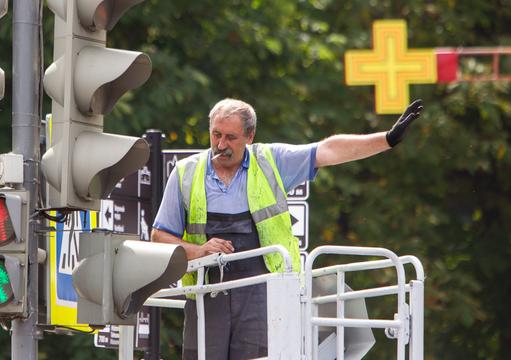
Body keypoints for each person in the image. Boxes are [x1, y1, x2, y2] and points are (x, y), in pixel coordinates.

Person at [151, 98, 423, 360]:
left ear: (250, 136)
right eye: (215, 134)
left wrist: (387, 139)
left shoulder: (271, 161)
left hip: (263, 294)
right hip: (206, 293)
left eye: (231, 138)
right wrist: (199, 250)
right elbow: (159, 237)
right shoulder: (185, 173)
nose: (221, 145)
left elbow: (327, 150)